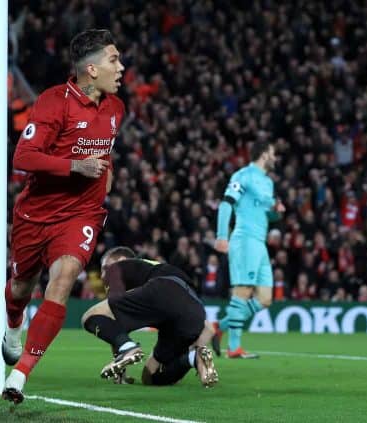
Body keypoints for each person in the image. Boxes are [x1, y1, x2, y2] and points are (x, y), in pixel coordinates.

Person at [1, 29, 125, 405]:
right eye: (113, 60)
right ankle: (12, 327)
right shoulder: (54, 103)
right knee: (22, 287)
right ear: (91, 69)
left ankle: (19, 375)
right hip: (36, 213)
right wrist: (75, 165)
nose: (121, 67)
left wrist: (104, 182)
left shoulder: (116, 107)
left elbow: (107, 153)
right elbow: (23, 157)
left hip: (81, 214)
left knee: (64, 277)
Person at [82, 246, 219, 388]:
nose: (103, 275)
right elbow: (209, 329)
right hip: (193, 308)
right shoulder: (154, 268)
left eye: (104, 267)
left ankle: (128, 348)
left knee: (90, 315)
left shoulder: (117, 268)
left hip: (162, 289)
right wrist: (197, 347)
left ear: (121, 260)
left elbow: (113, 315)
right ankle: (193, 359)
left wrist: (123, 358)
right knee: (151, 376)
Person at [213, 140, 285, 358]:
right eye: (273, 153)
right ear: (264, 154)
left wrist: (276, 211)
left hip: (259, 242)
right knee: (243, 291)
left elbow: (267, 213)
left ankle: (218, 327)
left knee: (265, 298)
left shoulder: (268, 182)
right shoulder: (243, 176)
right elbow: (226, 203)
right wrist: (221, 236)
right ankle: (234, 347)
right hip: (244, 240)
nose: (275, 158)